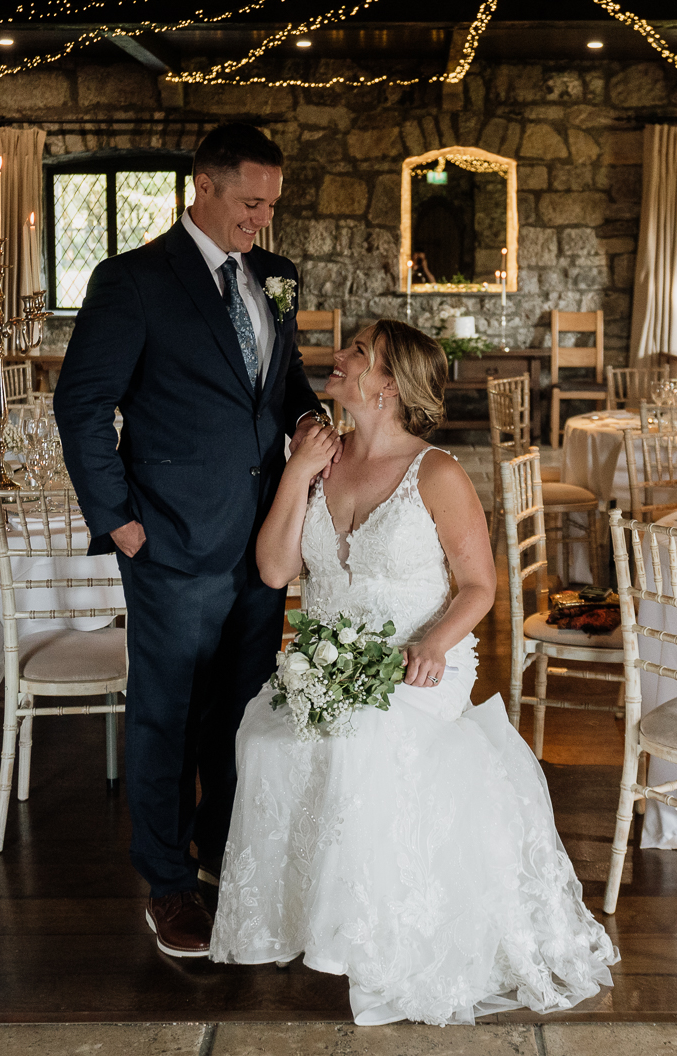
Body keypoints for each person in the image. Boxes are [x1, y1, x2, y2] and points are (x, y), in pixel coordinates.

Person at [210, 320, 619, 1025]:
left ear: (388, 384)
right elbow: (276, 568)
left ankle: (371, 940)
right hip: (328, 664)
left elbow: (478, 587)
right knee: (260, 739)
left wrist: (433, 644)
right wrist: (298, 473)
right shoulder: (319, 458)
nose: (338, 358)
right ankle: (305, 925)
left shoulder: (437, 471)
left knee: (361, 747)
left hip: (418, 664)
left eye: (357, 353)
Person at [55, 123, 329, 958]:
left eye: (271, 206)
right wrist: (120, 522)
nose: (260, 220)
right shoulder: (131, 281)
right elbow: (81, 406)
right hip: (169, 542)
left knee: (243, 714)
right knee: (168, 719)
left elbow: (277, 383)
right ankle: (168, 885)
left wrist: (313, 417)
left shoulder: (275, 276)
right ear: (202, 188)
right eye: (249, 203)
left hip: (264, 544)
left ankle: (220, 858)